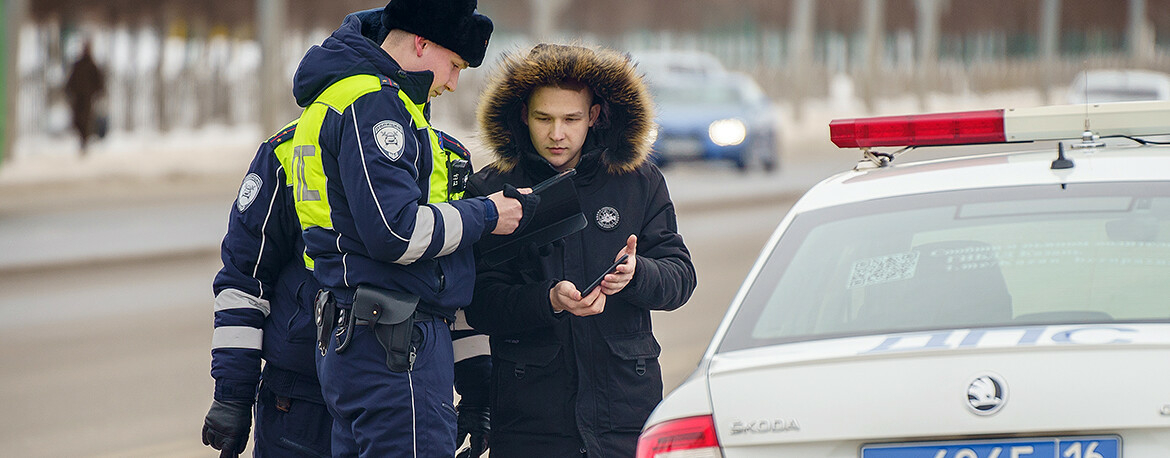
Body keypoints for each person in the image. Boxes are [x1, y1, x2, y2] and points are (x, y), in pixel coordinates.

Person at [286, 0, 527, 456]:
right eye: (454, 65)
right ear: (421, 43)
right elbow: (397, 232)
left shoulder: (342, 94)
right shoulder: (375, 103)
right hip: (394, 350)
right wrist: (488, 214)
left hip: (356, 335)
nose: (453, 83)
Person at [200, 121, 493, 457]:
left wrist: (478, 392)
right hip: (302, 399)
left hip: (405, 399)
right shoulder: (289, 151)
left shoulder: (447, 157)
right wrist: (232, 394)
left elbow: (458, 295)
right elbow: (245, 283)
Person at [464, 43, 698, 457]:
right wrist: (548, 300)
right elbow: (479, 304)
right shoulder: (491, 190)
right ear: (523, 114)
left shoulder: (637, 181)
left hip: (626, 416)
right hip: (530, 424)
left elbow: (680, 277)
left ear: (594, 115)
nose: (557, 134)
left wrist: (637, 273)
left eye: (571, 119)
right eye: (544, 118)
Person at [64, 40, 106, 154]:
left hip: (88, 97)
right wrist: (69, 90)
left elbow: (99, 81)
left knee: (86, 120)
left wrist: (97, 92)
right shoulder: (78, 65)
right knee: (78, 120)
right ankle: (82, 139)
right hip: (78, 96)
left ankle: (84, 142)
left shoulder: (92, 65)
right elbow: (72, 79)